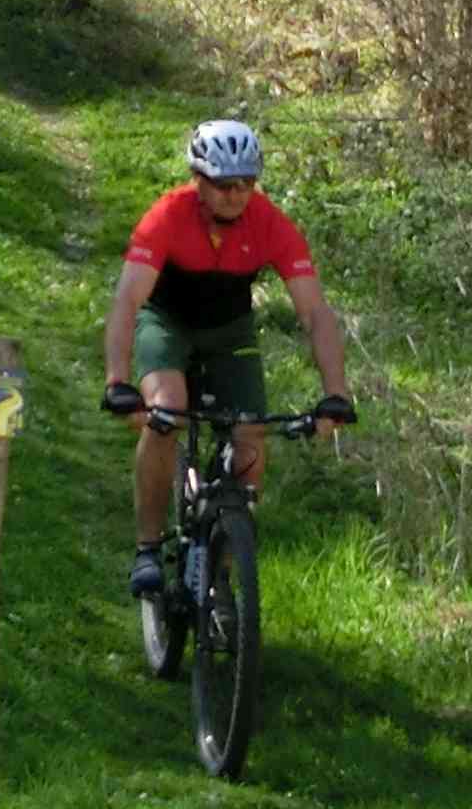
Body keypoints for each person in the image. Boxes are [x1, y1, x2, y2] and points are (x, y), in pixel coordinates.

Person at [102, 117, 354, 600]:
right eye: (222, 185)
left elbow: (315, 312)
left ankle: (221, 575)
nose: (235, 195)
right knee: (166, 413)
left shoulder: (270, 223)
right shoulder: (167, 215)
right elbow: (128, 301)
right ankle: (148, 548)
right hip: (168, 322)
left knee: (250, 442)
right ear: (197, 180)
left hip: (230, 330)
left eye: (246, 184)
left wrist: (336, 393)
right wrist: (118, 381)